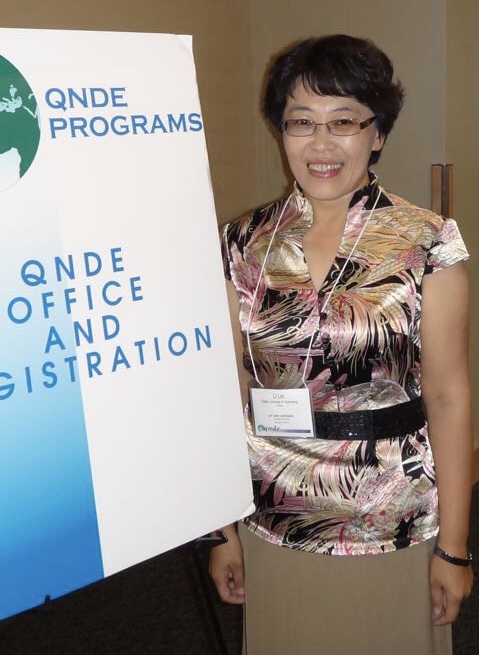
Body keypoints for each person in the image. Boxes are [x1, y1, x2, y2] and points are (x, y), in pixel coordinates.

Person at [209, 34, 473, 655]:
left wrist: (455, 548)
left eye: (344, 121)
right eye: (301, 121)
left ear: (376, 134)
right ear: (280, 131)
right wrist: (220, 530)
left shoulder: (426, 242)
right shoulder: (243, 243)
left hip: (393, 512)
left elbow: (448, 398)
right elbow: (224, 392)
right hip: (274, 509)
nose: (321, 144)